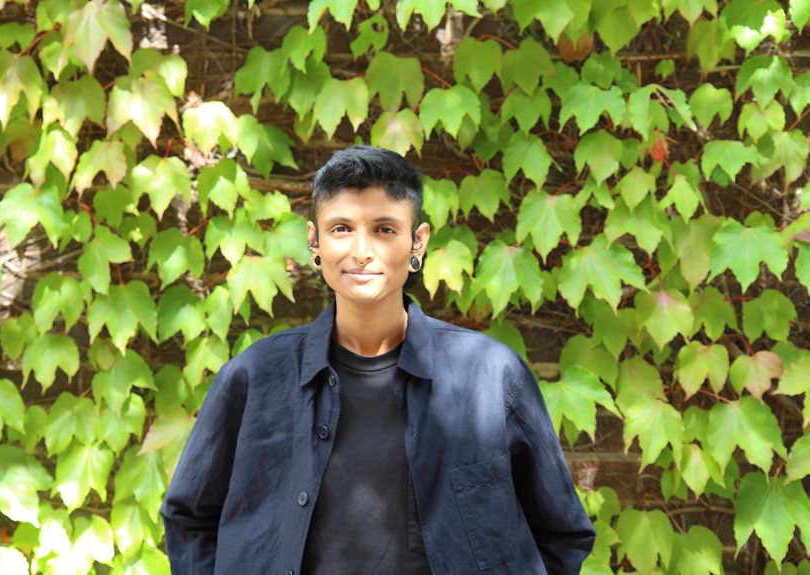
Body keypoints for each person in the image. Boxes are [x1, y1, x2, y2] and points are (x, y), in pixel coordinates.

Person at [160, 145, 596, 574]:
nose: (361, 251)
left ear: (417, 242)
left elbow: (560, 532)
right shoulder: (254, 378)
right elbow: (190, 517)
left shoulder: (491, 376)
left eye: (385, 229)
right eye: (341, 229)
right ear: (314, 241)